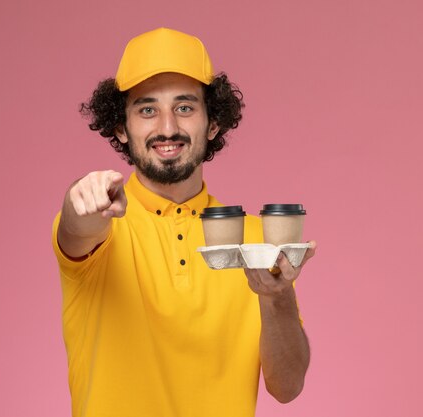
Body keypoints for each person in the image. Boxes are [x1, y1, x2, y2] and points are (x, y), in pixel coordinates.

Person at [51, 27, 314, 417]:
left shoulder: (256, 241)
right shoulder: (103, 225)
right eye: (147, 109)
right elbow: (76, 226)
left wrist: (277, 297)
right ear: (121, 128)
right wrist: (81, 195)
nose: (168, 127)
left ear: (213, 124)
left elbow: (288, 387)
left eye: (185, 107)